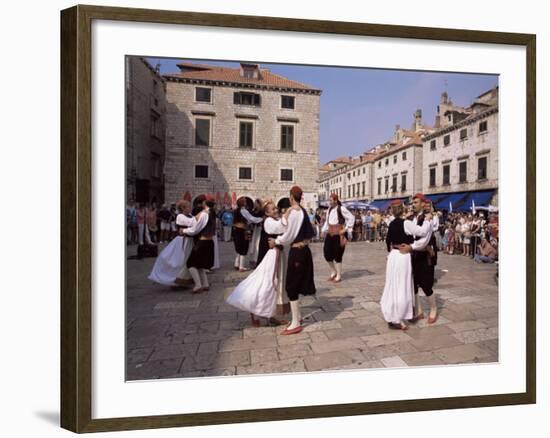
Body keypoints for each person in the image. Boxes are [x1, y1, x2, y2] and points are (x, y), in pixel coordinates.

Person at [226, 200, 289, 327]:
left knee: (271, 283)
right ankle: (260, 311)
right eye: (273, 209)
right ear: (266, 212)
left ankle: (269, 314)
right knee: (269, 282)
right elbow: (281, 227)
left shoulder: (271, 220)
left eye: (276, 208)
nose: (276, 210)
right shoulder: (269, 221)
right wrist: (290, 212)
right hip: (272, 255)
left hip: (275, 254)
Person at [268, 186, 316, 335]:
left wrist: (276, 241)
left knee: (291, 286)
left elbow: (288, 235)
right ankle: (298, 317)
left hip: (297, 252)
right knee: (296, 284)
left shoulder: (295, 212)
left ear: (291, 197)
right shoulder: (300, 211)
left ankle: (295, 323)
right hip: (302, 251)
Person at [380, 200, 432, 330]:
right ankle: (398, 317)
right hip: (403, 256)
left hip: (393, 255)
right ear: (403, 210)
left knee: (392, 285)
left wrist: (391, 252)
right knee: (402, 286)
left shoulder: (391, 223)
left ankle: (393, 315)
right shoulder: (406, 223)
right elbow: (422, 232)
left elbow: (388, 241)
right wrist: (428, 220)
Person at [399, 193, 438, 324]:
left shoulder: (429, 218)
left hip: (423, 254)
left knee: (426, 285)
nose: (413, 205)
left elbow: (425, 240)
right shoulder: (413, 218)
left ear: (422, 203)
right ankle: (419, 311)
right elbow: (410, 234)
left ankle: (433, 309)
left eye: (415, 203)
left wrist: (412, 246)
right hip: (415, 254)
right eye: (413, 203)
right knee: (414, 284)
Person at [148, 199, 196, 287]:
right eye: (188, 207)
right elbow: (191, 223)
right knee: (179, 260)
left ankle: (185, 279)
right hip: (182, 241)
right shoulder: (180, 216)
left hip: (189, 240)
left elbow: (194, 223)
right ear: (182, 208)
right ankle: (176, 279)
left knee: (188, 259)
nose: (190, 208)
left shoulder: (190, 215)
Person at [181, 195, 217, 294]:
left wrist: (184, 230)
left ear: (205, 202)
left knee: (191, 263)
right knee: (200, 264)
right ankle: (205, 284)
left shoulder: (205, 214)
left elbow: (196, 229)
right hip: (209, 242)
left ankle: (198, 285)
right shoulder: (212, 212)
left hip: (203, 242)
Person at [321, 193, 354, 283]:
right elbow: (327, 222)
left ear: (335, 200)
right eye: (329, 200)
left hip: (338, 234)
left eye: (331, 200)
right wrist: (323, 230)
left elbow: (351, 218)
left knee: (337, 255)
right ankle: (333, 271)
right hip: (330, 233)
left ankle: (338, 275)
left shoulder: (341, 208)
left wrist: (346, 229)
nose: (330, 202)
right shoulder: (329, 209)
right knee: (326, 253)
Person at [232, 197, 263, 272]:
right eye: (245, 201)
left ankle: (236, 264)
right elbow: (251, 218)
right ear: (243, 203)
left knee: (239, 247)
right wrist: (261, 219)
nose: (246, 202)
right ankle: (241, 266)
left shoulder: (236, 210)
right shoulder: (243, 210)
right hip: (241, 230)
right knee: (243, 247)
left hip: (236, 230)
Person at [247, 198, 264, 268]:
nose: (255, 204)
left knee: (257, 243)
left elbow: (261, 219)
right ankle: (252, 260)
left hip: (259, 229)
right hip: (255, 229)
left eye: (256, 203)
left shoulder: (261, 211)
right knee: (253, 244)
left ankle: (256, 260)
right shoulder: (253, 211)